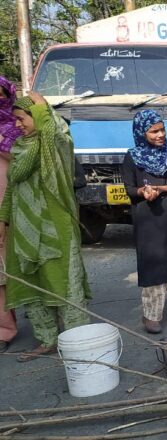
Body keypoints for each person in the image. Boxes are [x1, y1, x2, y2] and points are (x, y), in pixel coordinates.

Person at [0, 92, 91, 362]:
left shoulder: (58, 145)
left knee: (66, 285)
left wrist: (42, 111)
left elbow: (47, 140)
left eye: (21, 119)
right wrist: (3, 220)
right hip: (25, 229)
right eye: (15, 120)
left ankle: (79, 342)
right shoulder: (19, 148)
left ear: (37, 117)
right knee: (33, 287)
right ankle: (47, 340)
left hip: (57, 228)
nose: (17, 125)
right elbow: (12, 189)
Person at [122, 110, 167, 334]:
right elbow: (129, 189)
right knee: (152, 264)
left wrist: (160, 188)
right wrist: (143, 192)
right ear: (141, 133)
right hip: (147, 219)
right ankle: (152, 316)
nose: (160, 134)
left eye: (162, 129)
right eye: (153, 131)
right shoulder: (132, 156)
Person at [0, 76, 22, 352]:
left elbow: (22, 159)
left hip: (17, 206)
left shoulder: (18, 125)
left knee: (20, 266)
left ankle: (45, 325)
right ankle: (5, 328)